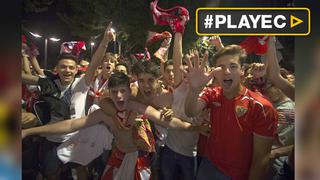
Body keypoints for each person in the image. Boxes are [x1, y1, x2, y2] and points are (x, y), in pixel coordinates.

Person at [22, 72, 208, 180]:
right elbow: (71, 125)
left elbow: (168, 121)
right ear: (109, 93)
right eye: (115, 92)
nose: (119, 96)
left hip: (140, 159)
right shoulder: (104, 111)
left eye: (123, 91)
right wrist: (29, 131)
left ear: (129, 91)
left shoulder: (137, 106)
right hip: (117, 157)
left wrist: (194, 128)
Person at [21, 22, 116, 180]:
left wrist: (105, 41)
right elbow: (23, 76)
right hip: (51, 140)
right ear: (56, 69)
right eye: (63, 67)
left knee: (81, 172)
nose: (67, 70)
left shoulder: (81, 84)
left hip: (78, 139)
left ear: (77, 69)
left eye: (71, 67)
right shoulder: (46, 83)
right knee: (51, 174)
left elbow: (94, 63)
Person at [184, 44, 278, 180]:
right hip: (208, 165)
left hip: (237, 175)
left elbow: (261, 159)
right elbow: (191, 112)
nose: (226, 71)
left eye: (233, 66)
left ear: (242, 70)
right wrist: (194, 89)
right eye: (221, 67)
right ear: (215, 72)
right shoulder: (213, 93)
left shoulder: (262, 107)